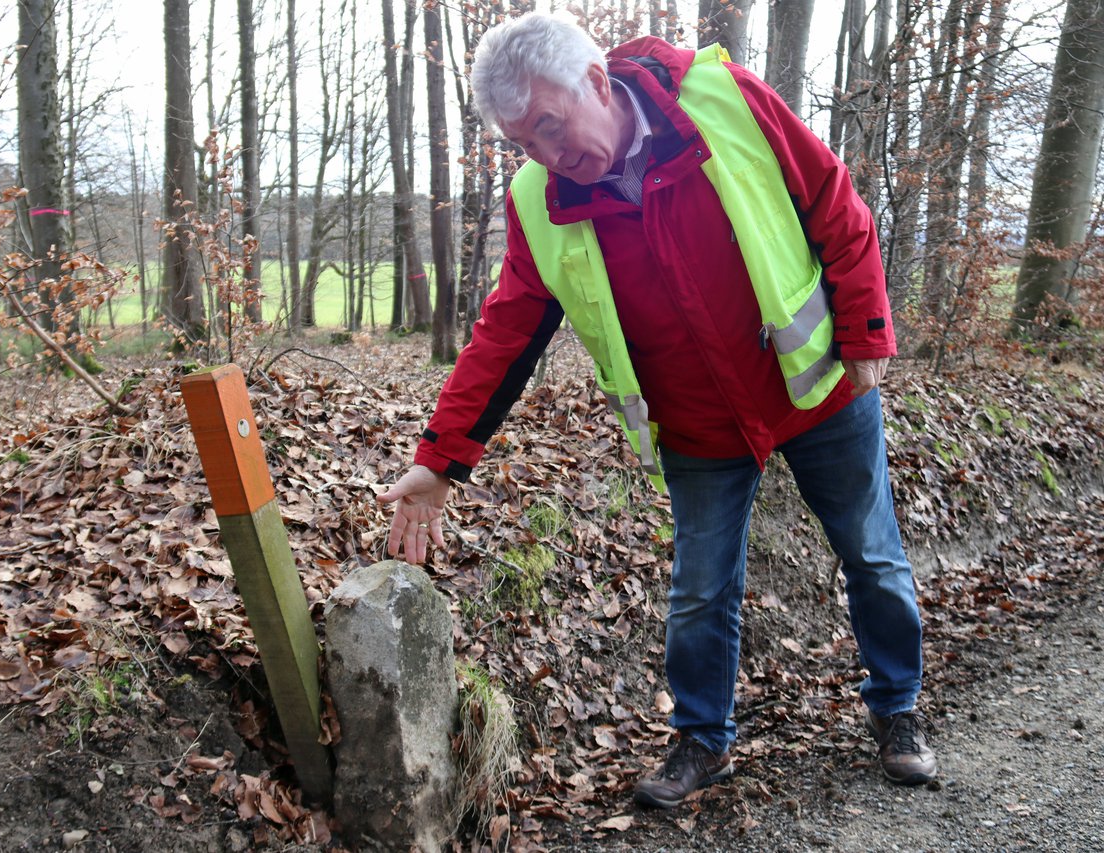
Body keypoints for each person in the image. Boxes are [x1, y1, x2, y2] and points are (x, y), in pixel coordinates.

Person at [377, 12, 936, 809]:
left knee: (871, 555)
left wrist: (867, 325)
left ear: (597, 83)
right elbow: (506, 332)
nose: (545, 156)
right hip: (698, 419)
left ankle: (898, 709)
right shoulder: (538, 199)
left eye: (550, 127)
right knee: (700, 589)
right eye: (523, 143)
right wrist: (439, 460)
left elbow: (831, 201)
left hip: (818, 389)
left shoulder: (725, 101)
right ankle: (703, 738)